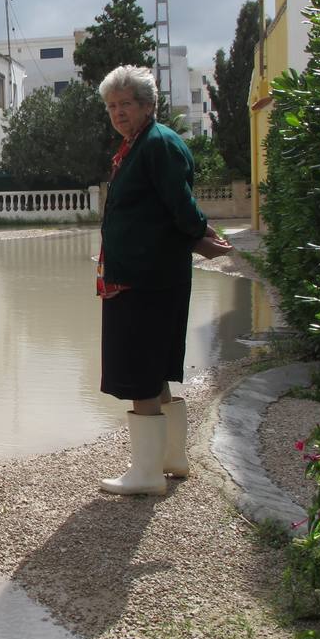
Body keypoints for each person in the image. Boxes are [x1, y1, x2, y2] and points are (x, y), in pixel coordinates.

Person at [96, 65, 229, 496]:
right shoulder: (141, 144)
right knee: (154, 369)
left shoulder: (156, 145)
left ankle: (147, 474)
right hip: (143, 274)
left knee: (139, 370)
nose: (118, 113)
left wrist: (200, 234)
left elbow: (181, 204)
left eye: (126, 104)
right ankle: (172, 458)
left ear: (148, 105)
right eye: (113, 106)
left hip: (146, 278)